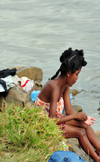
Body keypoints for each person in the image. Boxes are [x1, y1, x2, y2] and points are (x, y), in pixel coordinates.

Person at [35, 48, 100, 162]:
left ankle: (99, 150)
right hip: (45, 124)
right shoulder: (54, 87)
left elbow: (69, 111)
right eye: (77, 74)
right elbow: (51, 120)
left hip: (56, 118)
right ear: (69, 73)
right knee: (81, 132)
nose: (77, 78)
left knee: (85, 124)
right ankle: (96, 159)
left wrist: (83, 118)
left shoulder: (65, 86)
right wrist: (76, 116)